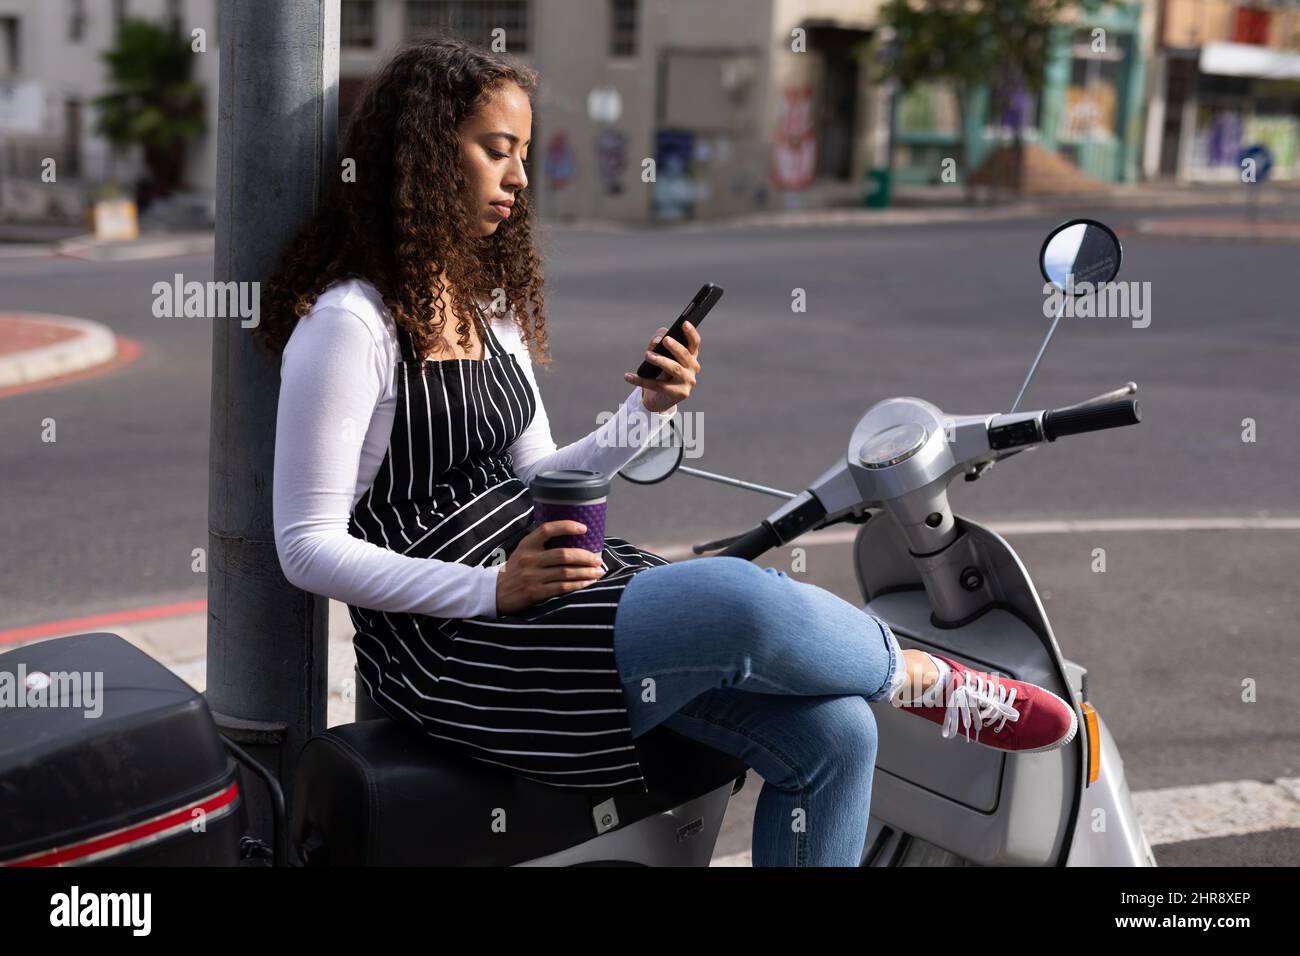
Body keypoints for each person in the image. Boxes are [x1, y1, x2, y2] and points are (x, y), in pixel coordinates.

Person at [258, 34, 1078, 868]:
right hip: (460, 641)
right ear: (425, 153)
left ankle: (890, 688)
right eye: (497, 151)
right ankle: (925, 680)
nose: (520, 179)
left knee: (838, 734)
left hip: (555, 586)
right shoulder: (349, 323)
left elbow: (542, 476)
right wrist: (490, 589)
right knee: (740, 600)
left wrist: (644, 409)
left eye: (525, 155)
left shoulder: (484, 310)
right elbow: (305, 546)